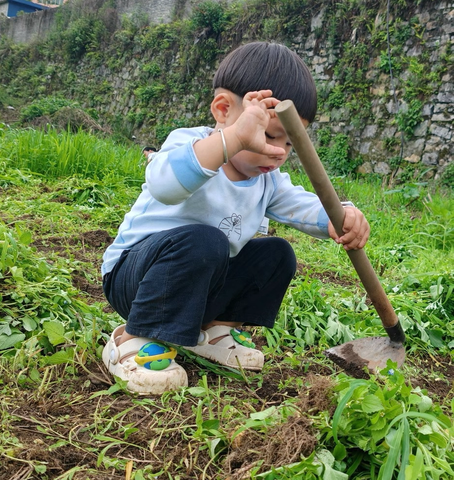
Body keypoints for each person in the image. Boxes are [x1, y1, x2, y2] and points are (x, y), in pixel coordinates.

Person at [101, 42, 370, 395]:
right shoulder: (190, 144)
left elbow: (306, 206)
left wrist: (341, 215)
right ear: (224, 109)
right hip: (136, 281)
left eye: (290, 144)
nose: (277, 153)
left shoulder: (266, 179)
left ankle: (214, 329)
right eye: (270, 135)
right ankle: (134, 337)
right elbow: (164, 185)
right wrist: (233, 139)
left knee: (277, 254)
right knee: (205, 241)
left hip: (199, 287)